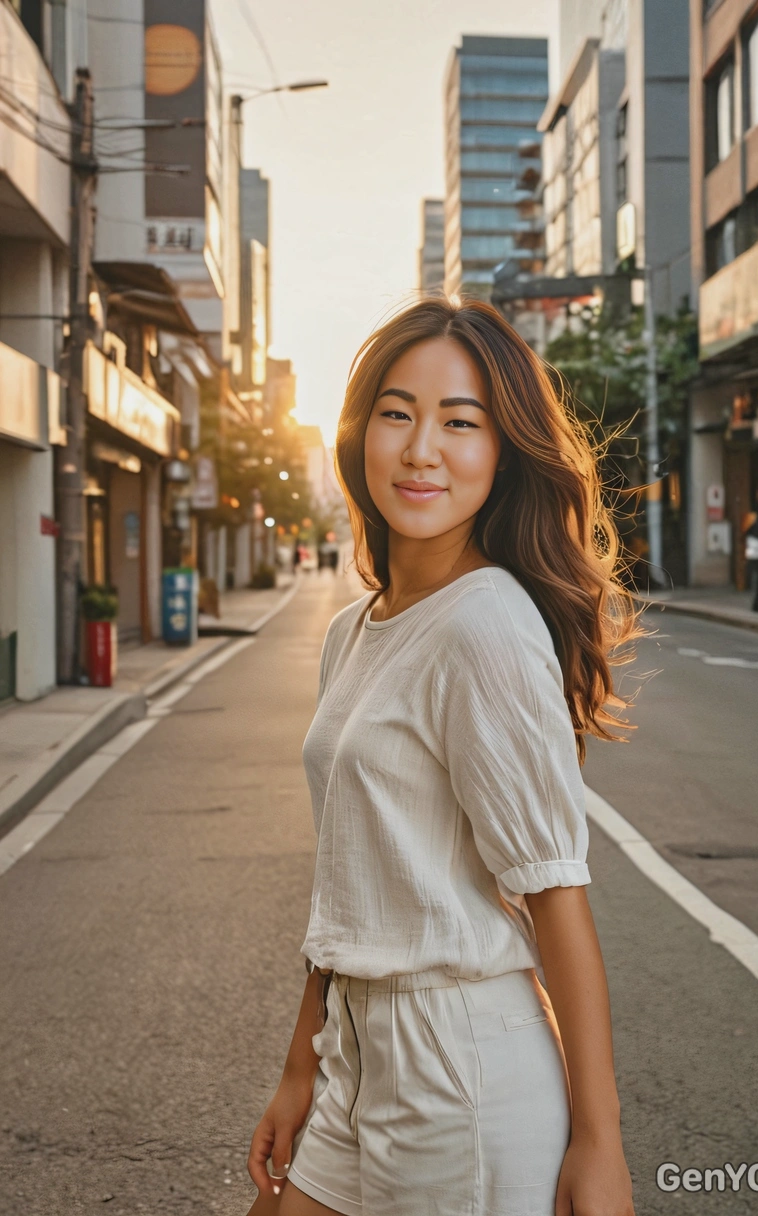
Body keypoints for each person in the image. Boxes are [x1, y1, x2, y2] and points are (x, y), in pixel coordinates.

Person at [247, 297, 642, 1216]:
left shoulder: (487, 624)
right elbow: (348, 885)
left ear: (502, 453)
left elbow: (554, 893)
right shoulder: (354, 632)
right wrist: (300, 1070)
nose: (421, 449)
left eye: (461, 423)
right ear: (359, 434)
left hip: (461, 1073)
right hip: (356, 1050)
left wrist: (600, 1142)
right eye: (398, 413)